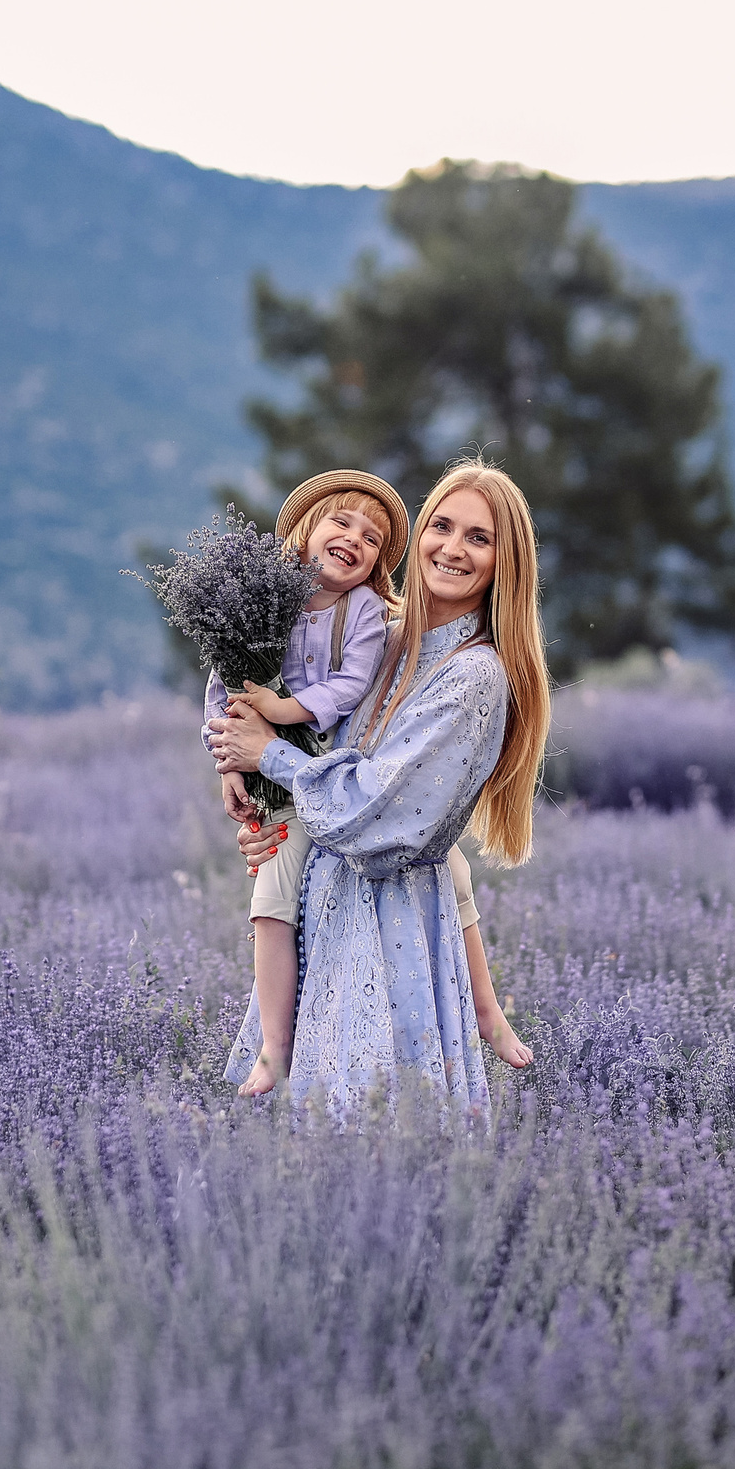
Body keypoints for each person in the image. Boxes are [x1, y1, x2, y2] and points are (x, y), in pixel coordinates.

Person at [209, 460, 547, 1113]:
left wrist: (272, 758)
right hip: (322, 907)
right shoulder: (382, 641)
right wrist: (261, 811)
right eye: (441, 525)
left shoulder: (474, 674)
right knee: (311, 1157)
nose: (451, 547)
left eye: (478, 537)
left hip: (391, 929)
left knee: (381, 1132)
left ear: (507, 562)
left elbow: (375, 813)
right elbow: (307, 741)